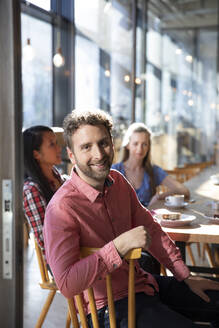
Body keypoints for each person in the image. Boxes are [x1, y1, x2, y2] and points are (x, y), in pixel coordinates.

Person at [43, 109, 219, 328]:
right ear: (71, 155)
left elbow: (152, 231)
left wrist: (185, 276)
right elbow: (67, 283)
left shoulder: (118, 181)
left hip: (144, 286)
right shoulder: (62, 207)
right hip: (107, 310)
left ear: (113, 144)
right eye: (86, 147)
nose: (98, 154)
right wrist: (118, 246)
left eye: (103, 143)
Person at [112, 122, 190, 208]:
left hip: (147, 220)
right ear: (127, 145)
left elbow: (184, 190)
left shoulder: (154, 171)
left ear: (149, 147)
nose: (140, 149)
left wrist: (159, 196)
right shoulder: (115, 171)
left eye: (144, 144)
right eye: (135, 144)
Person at [23, 125, 65, 254]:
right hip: (62, 258)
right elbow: (45, 240)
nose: (59, 148)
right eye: (52, 145)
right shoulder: (32, 190)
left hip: (82, 250)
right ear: (36, 154)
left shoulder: (63, 180)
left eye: (57, 143)